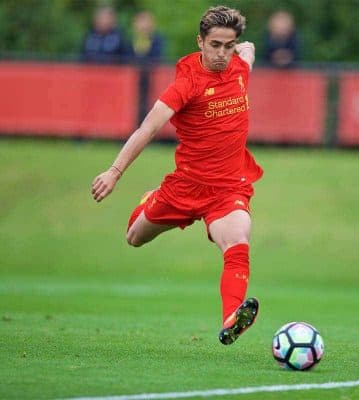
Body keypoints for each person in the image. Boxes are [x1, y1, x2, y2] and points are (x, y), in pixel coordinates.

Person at [91, 6, 261, 345]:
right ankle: (150, 200)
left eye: (229, 46)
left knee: (238, 238)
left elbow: (249, 49)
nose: (222, 53)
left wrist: (242, 47)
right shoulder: (186, 85)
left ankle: (231, 316)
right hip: (185, 187)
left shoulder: (240, 66)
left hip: (228, 187)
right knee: (135, 238)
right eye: (214, 45)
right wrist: (114, 171)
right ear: (200, 41)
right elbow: (146, 129)